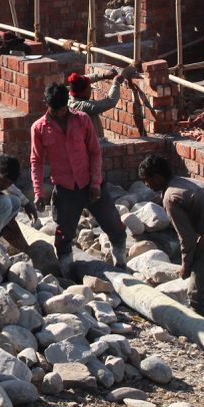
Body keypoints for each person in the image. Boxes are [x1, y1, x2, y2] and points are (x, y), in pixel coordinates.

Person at [30, 82, 128, 275]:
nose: (60, 113)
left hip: (91, 185)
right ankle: (67, 272)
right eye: (56, 110)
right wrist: (38, 192)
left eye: (63, 108)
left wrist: (95, 182)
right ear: (47, 105)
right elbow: (37, 161)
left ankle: (121, 264)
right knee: (64, 235)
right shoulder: (39, 128)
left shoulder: (82, 120)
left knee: (114, 226)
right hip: (65, 190)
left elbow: (94, 152)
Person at [137, 154, 204, 328]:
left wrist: (186, 266)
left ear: (156, 177)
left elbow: (187, 238)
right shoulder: (186, 182)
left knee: (196, 292)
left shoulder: (171, 197)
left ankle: (203, 333)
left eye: (146, 180)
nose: (146, 185)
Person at [67, 66, 136, 139]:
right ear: (83, 92)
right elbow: (110, 101)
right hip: (90, 147)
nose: (90, 90)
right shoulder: (83, 107)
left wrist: (103, 75)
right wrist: (116, 83)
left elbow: (85, 79)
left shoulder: (72, 92)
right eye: (89, 88)